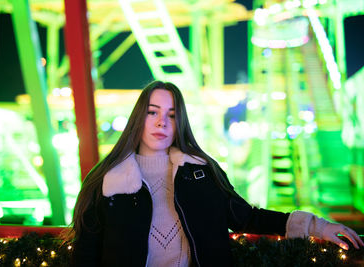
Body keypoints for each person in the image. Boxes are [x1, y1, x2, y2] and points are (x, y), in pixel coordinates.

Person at [70, 80, 363, 266]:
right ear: (139, 117)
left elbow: (246, 217)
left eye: (172, 115)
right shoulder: (106, 180)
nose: (162, 122)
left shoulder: (200, 171)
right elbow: (86, 254)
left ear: (180, 121)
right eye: (153, 112)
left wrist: (316, 226)